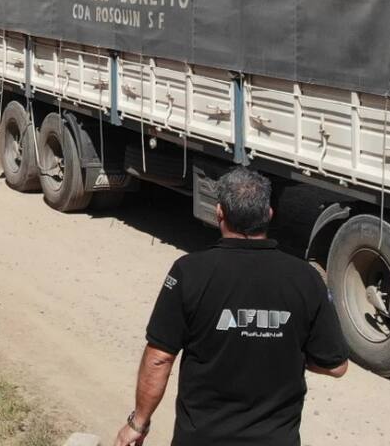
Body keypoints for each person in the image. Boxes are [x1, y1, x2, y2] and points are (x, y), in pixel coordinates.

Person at [114, 167, 349, 446]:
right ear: (269, 214)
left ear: (219, 213)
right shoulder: (306, 278)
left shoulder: (188, 272)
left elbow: (159, 358)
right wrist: (288, 349)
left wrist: (138, 423)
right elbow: (336, 366)